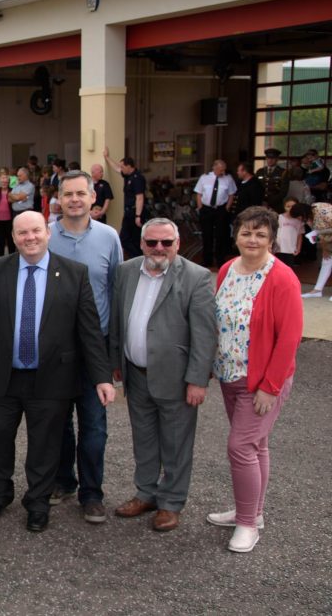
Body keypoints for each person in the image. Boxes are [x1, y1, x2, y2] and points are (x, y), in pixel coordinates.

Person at [0, 211, 114, 533]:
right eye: (22, 233)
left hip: (52, 378)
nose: (29, 238)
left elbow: (90, 331)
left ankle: (37, 504)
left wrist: (102, 377)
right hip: (3, 377)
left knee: (45, 446)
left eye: (36, 231)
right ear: (14, 237)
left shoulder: (75, 274)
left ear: (48, 233)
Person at [110, 218, 217, 532]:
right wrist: (116, 359)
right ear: (142, 244)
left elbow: (205, 334)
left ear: (177, 244)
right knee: (143, 440)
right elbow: (119, 317)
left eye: (166, 243)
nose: (159, 248)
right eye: (152, 242)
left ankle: (171, 503)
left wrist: (198, 379)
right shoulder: (126, 271)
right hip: (136, 373)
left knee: (176, 444)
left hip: (176, 377)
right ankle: (146, 494)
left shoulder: (196, 277)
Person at [208, 206, 303, 552]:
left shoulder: (282, 278)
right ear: (236, 235)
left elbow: (290, 338)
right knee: (255, 446)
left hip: (261, 381)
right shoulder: (227, 270)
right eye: (247, 232)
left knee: (240, 447)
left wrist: (270, 387)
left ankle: (248, 525)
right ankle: (252, 511)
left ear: (272, 240)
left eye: (261, 234)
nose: (252, 239)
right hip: (230, 376)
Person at [47, 171, 123, 524]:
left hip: (97, 346)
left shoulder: (109, 238)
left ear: (94, 197)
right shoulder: (44, 235)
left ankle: (92, 493)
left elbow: (116, 291)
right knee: (58, 422)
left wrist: (115, 353)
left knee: (94, 425)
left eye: (81, 193)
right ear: (58, 198)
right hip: (56, 348)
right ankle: (63, 481)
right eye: (68, 194)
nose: (75, 199)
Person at [194, 160, 238, 267]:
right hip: (207, 209)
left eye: (224, 170)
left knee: (221, 235)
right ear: (214, 168)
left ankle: (220, 259)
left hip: (221, 209)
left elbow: (231, 194)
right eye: (220, 170)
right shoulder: (204, 178)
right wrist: (200, 207)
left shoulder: (228, 179)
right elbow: (199, 193)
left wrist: (227, 207)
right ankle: (207, 260)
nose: (222, 172)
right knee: (207, 235)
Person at [105, 148, 147, 258]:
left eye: (123, 166)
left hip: (134, 212)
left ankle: (138, 258)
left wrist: (138, 216)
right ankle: (137, 258)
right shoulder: (128, 175)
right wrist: (107, 157)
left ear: (129, 166)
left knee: (131, 239)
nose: (121, 169)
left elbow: (140, 198)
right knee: (125, 238)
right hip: (128, 212)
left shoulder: (137, 178)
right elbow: (117, 168)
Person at [298, 202, 332, 299]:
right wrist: (324, 248)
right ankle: (317, 290)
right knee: (326, 262)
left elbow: (320, 232)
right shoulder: (310, 217)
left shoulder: (321, 211)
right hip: (328, 240)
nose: (299, 220)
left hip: (328, 238)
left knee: (327, 262)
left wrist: (319, 232)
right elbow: (318, 235)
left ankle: (317, 290)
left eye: (299, 217)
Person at [274, 198, 303, 266]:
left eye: (293, 206)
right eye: (288, 206)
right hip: (278, 248)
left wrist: (298, 247)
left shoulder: (299, 220)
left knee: (288, 267)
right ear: (284, 207)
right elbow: (273, 232)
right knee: (278, 266)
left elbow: (299, 235)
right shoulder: (279, 217)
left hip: (291, 248)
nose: (290, 208)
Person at [0, 168, 15, 256]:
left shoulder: (12, 191)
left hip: (10, 219)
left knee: (10, 240)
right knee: (0, 241)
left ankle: (12, 257)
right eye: (2, 181)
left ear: (8, 182)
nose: (4, 183)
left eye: (6, 182)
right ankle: (0, 257)